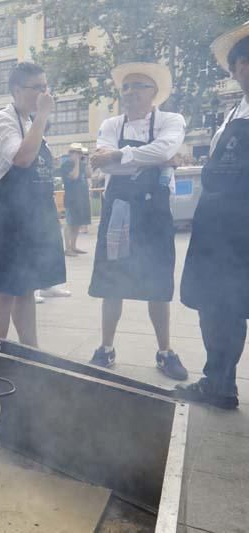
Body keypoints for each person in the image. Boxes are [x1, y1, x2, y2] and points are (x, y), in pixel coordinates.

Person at [88, 62, 188, 380]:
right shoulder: (110, 125)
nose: (130, 93)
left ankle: (165, 351)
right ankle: (105, 349)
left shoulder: (171, 120)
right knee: (111, 283)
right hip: (118, 211)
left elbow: (167, 147)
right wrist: (152, 158)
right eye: (126, 87)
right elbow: (104, 165)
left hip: (154, 215)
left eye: (138, 86)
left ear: (154, 92)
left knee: (157, 285)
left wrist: (119, 156)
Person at [176, 23, 249, 409]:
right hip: (216, 224)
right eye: (243, 63)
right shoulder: (235, 110)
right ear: (236, 69)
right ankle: (217, 382)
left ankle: (221, 384)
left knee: (232, 305)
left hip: (242, 225)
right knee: (214, 304)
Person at [0, 62, 66, 348]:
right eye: (37, 88)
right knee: (4, 289)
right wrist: (43, 115)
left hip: (37, 218)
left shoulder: (31, 122)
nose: (44, 94)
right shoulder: (2, 120)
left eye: (45, 86)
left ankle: (31, 352)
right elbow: (22, 158)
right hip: (11, 218)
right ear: (17, 90)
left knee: (27, 287)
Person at [60, 143, 92, 255]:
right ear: (71, 153)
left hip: (81, 198)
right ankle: (67, 248)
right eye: (77, 153)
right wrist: (77, 162)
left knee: (77, 223)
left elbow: (89, 175)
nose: (79, 155)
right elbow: (74, 176)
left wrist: (86, 163)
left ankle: (73, 247)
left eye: (80, 153)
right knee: (70, 223)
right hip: (71, 198)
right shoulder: (66, 165)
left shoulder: (82, 164)